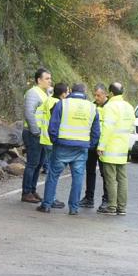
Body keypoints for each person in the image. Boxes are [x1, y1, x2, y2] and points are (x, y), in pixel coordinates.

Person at [37, 83, 100, 215]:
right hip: (81, 148)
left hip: (62, 146)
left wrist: (55, 141)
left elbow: (52, 126)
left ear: (71, 91)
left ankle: (46, 205)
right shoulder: (92, 107)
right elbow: (96, 132)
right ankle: (74, 208)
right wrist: (90, 145)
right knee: (77, 178)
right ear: (84, 92)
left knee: (53, 175)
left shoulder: (63, 104)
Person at [96, 82, 136, 216]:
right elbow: (131, 127)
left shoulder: (110, 107)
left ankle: (112, 207)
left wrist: (101, 145)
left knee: (111, 179)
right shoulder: (129, 107)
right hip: (123, 148)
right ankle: (122, 208)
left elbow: (107, 128)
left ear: (111, 93)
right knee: (123, 179)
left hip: (111, 148)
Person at [21, 68, 52, 203]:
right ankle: (26, 192)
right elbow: (29, 113)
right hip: (34, 134)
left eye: (50, 78)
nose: (50, 81)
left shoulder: (44, 94)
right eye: (47, 78)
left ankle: (32, 190)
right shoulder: (33, 93)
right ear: (39, 80)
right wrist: (36, 132)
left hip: (41, 135)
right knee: (32, 164)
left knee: (39, 164)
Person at [38, 83, 69, 208]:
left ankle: (49, 199)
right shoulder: (58, 104)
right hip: (52, 141)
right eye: (67, 92)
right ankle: (51, 199)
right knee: (53, 172)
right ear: (62, 94)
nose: (68, 95)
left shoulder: (47, 100)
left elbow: (39, 116)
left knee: (51, 171)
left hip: (45, 138)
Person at [79, 84, 109, 209]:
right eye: (95, 95)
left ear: (105, 94)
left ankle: (106, 199)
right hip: (92, 144)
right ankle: (89, 198)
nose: (96, 97)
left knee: (104, 173)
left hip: (103, 146)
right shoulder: (92, 106)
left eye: (99, 95)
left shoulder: (110, 107)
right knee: (90, 171)